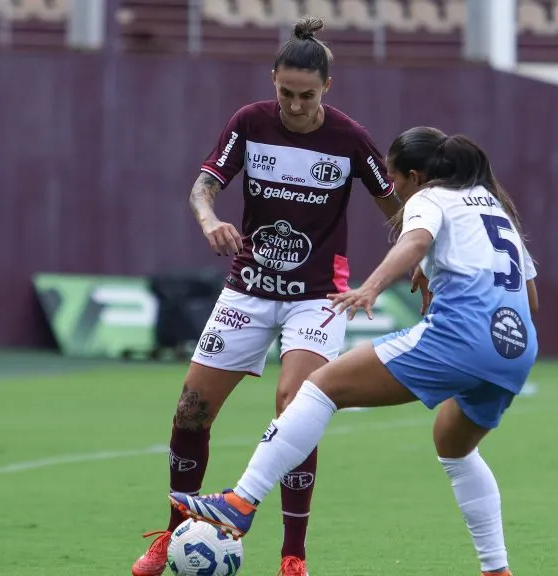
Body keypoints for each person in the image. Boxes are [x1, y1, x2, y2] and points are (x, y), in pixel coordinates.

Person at [169, 127, 540, 576]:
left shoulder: (429, 197)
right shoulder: (492, 206)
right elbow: (531, 296)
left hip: (462, 336)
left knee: (319, 388)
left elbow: (414, 240)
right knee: (454, 447)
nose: (393, 189)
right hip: (516, 347)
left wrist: (372, 286)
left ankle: (239, 502)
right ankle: (497, 570)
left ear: (415, 175)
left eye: (393, 177)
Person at [130, 17, 400, 576]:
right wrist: (208, 219)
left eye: (306, 95)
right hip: (248, 287)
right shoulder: (249, 123)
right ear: (272, 79)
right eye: (285, 93)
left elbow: (397, 209)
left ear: (328, 86)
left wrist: (415, 265)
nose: (295, 106)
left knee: (295, 406)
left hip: (318, 295)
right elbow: (204, 185)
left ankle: (292, 554)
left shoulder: (350, 139)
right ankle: (176, 532)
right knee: (191, 411)